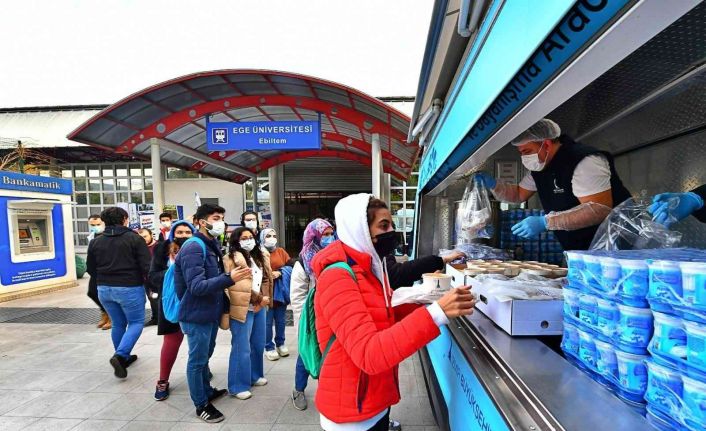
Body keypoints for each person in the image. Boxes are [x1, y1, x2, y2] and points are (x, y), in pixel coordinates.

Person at [312, 194, 475, 431]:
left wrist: (428, 302)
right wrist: (436, 313)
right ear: (360, 230)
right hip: (351, 415)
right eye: (383, 226)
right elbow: (370, 354)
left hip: (371, 403)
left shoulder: (369, 268)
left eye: (392, 225)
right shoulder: (337, 277)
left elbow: (384, 314)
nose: (391, 232)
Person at [474, 118, 631, 251]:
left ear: (547, 145)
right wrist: (493, 184)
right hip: (580, 248)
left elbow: (598, 210)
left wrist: (546, 222)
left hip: (616, 246)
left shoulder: (584, 161)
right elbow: (518, 194)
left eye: (527, 151)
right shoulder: (541, 168)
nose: (524, 157)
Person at [175, 203, 250, 423]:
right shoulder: (194, 247)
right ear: (200, 221)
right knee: (197, 360)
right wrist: (230, 278)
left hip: (209, 312)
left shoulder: (211, 244)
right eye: (216, 218)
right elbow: (196, 286)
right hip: (196, 313)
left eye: (222, 218)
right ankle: (201, 404)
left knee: (206, 355)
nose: (220, 222)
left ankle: (206, 390)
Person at [86, 206, 151, 379]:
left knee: (117, 323)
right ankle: (121, 355)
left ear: (104, 221)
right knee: (136, 322)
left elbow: (90, 268)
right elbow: (147, 266)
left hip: (104, 288)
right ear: (124, 219)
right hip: (129, 287)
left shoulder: (96, 241)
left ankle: (123, 357)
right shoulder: (134, 239)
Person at [290, 218, 334, 411]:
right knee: (306, 354)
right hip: (311, 318)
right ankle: (299, 389)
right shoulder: (302, 262)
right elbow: (297, 296)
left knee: (330, 354)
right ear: (314, 235)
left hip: (332, 314)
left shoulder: (335, 256)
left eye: (331, 233)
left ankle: (328, 390)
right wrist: (304, 323)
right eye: (325, 234)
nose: (329, 238)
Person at [224, 227, 273, 400]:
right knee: (241, 347)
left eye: (250, 237)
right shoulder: (230, 259)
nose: (248, 240)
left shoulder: (258, 256)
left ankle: (254, 375)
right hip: (242, 307)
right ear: (236, 241)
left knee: (258, 343)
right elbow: (238, 284)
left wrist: (264, 298)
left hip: (260, 307)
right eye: (243, 238)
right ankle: (237, 385)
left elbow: (266, 278)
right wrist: (259, 299)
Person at [149, 220, 196, 401]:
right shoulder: (163, 249)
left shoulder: (198, 248)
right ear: (172, 234)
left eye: (187, 232)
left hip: (195, 302)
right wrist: (177, 273)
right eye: (180, 232)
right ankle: (163, 380)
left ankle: (202, 373)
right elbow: (153, 276)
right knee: (171, 342)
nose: (183, 235)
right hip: (171, 304)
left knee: (200, 342)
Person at [260, 228, 292, 361]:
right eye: (268, 235)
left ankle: (280, 343)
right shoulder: (259, 253)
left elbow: (290, 266)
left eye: (274, 235)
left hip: (280, 291)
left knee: (280, 320)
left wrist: (280, 272)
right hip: (266, 291)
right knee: (267, 322)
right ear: (262, 238)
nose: (272, 238)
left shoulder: (281, 251)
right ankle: (269, 347)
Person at [87, 214, 110, 330]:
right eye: (92, 225)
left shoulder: (107, 236)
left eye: (98, 224)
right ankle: (104, 313)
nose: (95, 226)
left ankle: (111, 316)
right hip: (95, 270)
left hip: (106, 269)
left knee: (105, 294)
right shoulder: (91, 236)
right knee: (92, 292)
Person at [138, 228, 160, 326]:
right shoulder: (138, 248)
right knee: (152, 299)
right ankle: (155, 318)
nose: (143, 239)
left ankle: (164, 319)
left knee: (161, 299)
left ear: (151, 235)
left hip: (159, 278)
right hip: (146, 279)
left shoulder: (159, 246)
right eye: (140, 238)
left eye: (145, 236)